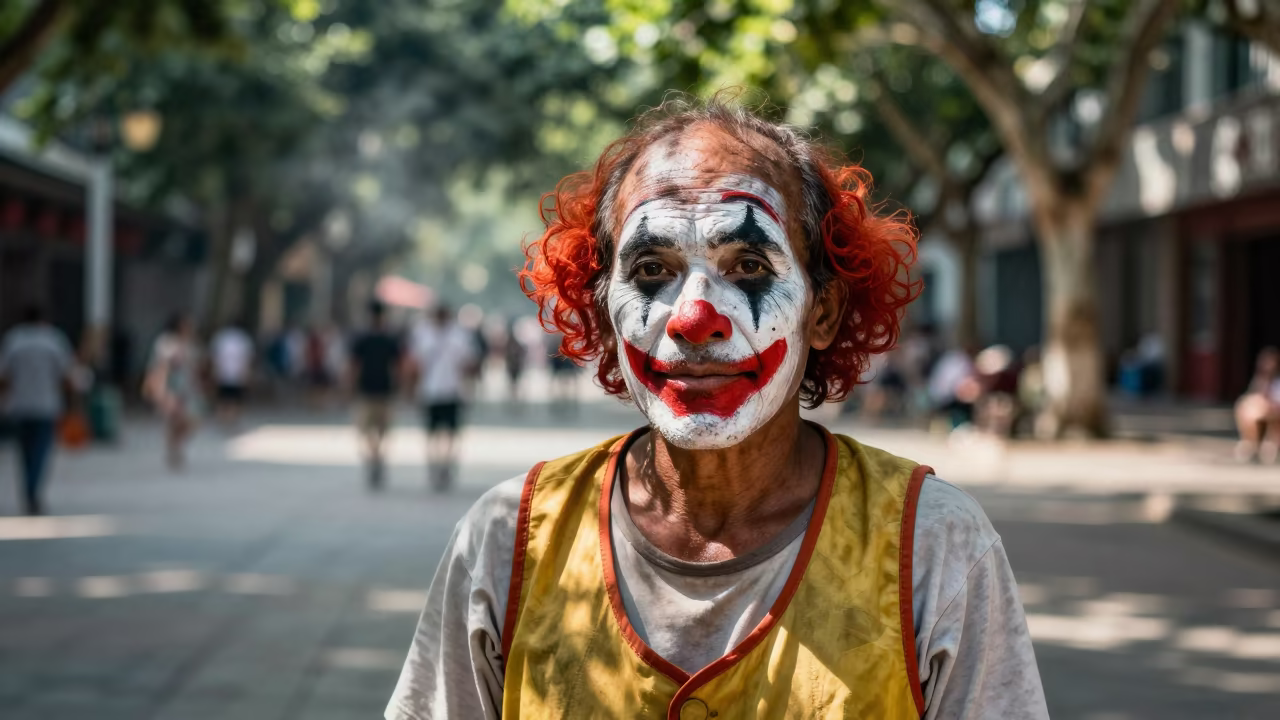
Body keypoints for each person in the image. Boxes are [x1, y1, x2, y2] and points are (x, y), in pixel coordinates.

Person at [387, 96, 1047, 720]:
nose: (693, 319)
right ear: (602, 310)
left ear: (824, 311)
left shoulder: (935, 545)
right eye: (651, 270)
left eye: (750, 266)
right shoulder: (507, 541)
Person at [0, 306, 75, 515]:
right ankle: (33, 492)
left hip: (19, 405)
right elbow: (66, 374)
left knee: (24, 453)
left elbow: (4, 375)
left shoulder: (13, 340)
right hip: (46, 405)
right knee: (40, 453)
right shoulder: (53, 340)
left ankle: (28, 491)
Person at [408, 305, 477, 491]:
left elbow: (468, 363)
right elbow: (414, 364)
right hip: (430, 390)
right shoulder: (423, 334)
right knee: (432, 433)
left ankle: (445, 463)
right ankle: (435, 463)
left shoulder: (458, 336)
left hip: (452, 390)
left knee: (450, 432)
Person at [348, 301, 403, 489]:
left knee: (375, 429)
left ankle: (376, 456)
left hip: (376, 390)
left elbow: (397, 366)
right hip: (376, 390)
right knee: (372, 430)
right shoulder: (372, 339)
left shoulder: (384, 339)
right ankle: (376, 456)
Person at [144, 314, 203, 471]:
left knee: (192, 421)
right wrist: (160, 389)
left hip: (189, 388)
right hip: (171, 388)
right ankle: (173, 449)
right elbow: (161, 366)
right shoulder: (166, 342)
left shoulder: (190, 343)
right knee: (174, 420)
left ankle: (176, 445)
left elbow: (195, 367)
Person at [1234, 347, 1280, 464]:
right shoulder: (1260, 380)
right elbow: (1253, 395)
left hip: (1274, 410)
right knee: (1246, 410)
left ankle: (1267, 444)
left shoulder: (1277, 381)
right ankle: (1250, 443)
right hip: (1262, 410)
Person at [210, 319, 254, 429]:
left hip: (223, 373)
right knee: (235, 399)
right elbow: (247, 358)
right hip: (236, 374)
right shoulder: (243, 339)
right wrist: (246, 373)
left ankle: (224, 420)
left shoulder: (221, 337)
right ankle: (230, 420)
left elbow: (214, 356)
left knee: (223, 399)